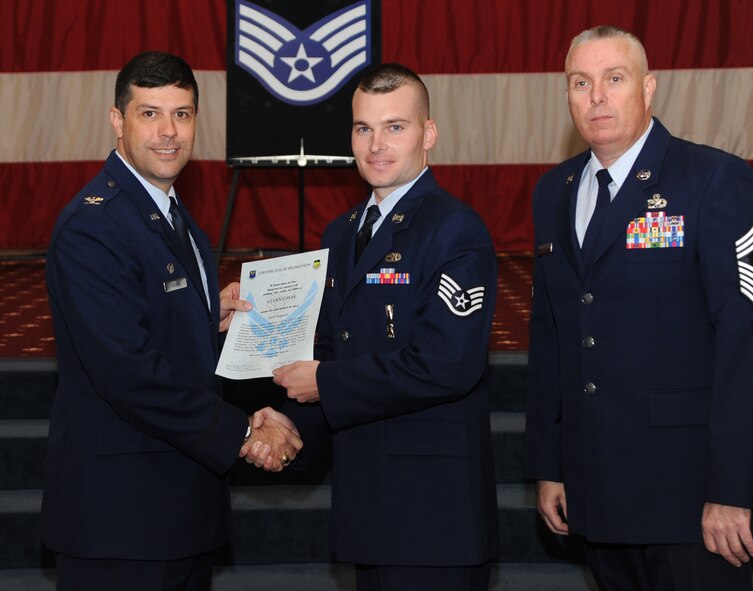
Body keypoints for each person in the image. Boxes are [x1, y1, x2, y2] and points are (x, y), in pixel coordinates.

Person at [524, 25, 753, 590]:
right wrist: (551, 466)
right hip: (595, 488)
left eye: (613, 79)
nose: (596, 96)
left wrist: (732, 490)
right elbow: (550, 340)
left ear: (648, 88)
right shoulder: (553, 192)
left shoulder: (714, 179)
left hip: (689, 498)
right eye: (580, 82)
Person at [42, 51, 302, 591]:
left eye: (182, 114)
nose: (168, 132)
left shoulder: (171, 213)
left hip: (177, 507)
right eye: (150, 113)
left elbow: (146, 324)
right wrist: (243, 428)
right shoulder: (94, 227)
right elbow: (128, 373)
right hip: (119, 518)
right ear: (117, 120)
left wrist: (209, 317)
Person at [245, 63, 499, 590]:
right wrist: (291, 425)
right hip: (368, 503)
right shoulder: (340, 233)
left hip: (434, 513)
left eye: (395, 127)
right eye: (363, 128)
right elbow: (327, 352)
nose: (376, 144)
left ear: (428, 134)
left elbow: (446, 366)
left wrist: (323, 383)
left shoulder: (456, 230)